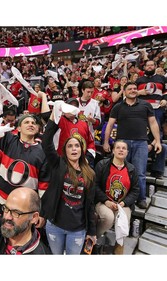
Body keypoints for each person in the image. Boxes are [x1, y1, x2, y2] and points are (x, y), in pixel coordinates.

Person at [41, 111, 97, 255]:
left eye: (77, 146)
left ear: (82, 150)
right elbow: (46, 142)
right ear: (64, 151)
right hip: (55, 226)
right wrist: (54, 118)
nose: (74, 149)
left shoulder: (90, 174)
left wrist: (92, 231)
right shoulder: (58, 164)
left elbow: (90, 205)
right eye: (70, 146)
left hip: (78, 229)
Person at [103, 82, 162, 209]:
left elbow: (153, 124)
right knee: (121, 171)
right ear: (124, 91)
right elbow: (109, 125)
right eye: (130, 89)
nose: (133, 90)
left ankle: (141, 199)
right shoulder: (117, 107)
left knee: (140, 173)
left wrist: (157, 141)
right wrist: (106, 142)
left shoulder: (146, 105)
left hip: (141, 143)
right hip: (122, 143)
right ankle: (124, 199)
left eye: (135, 88)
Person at [94, 140, 140, 255]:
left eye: (124, 148)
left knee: (124, 218)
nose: (121, 150)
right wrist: (106, 201)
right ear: (113, 150)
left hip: (122, 204)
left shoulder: (132, 169)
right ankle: (93, 238)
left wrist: (124, 203)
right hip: (104, 201)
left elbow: (135, 191)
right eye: (118, 147)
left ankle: (119, 245)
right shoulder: (102, 165)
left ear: (127, 152)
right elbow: (94, 186)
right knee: (108, 217)